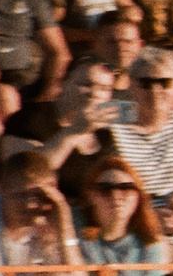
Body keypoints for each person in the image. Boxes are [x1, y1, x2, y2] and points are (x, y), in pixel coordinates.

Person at [106, 52, 173, 238]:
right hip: (127, 217)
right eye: (146, 83)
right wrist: (150, 217)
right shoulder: (112, 123)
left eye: (165, 83)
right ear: (132, 85)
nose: (155, 91)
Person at [34, 58, 123, 198]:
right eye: (86, 84)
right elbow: (29, 173)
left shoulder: (109, 131)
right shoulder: (34, 117)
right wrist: (73, 130)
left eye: (104, 88)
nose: (94, 93)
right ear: (63, 83)